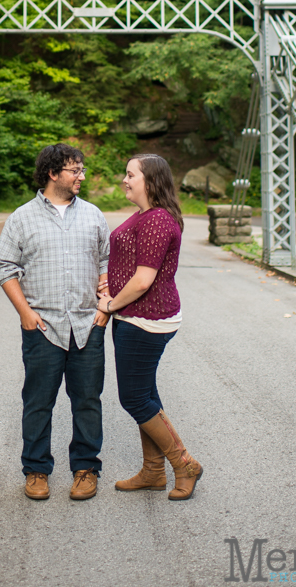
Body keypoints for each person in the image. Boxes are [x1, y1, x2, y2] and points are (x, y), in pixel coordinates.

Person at [0, 143, 111, 502]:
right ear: (52, 173)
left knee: (88, 400)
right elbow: (3, 268)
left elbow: (107, 263)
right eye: (75, 170)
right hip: (43, 327)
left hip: (88, 325)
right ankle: (36, 471)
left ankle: (86, 469)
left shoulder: (93, 215)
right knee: (38, 402)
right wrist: (25, 314)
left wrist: (104, 308)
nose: (81, 177)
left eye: (82, 170)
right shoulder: (21, 218)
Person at [97, 153, 203, 501]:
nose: (124, 180)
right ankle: (153, 472)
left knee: (135, 397)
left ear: (151, 180)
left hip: (146, 320)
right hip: (136, 316)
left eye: (131, 175)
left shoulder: (157, 220)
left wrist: (111, 304)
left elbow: (143, 280)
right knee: (145, 394)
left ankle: (184, 463)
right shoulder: (146, 215)